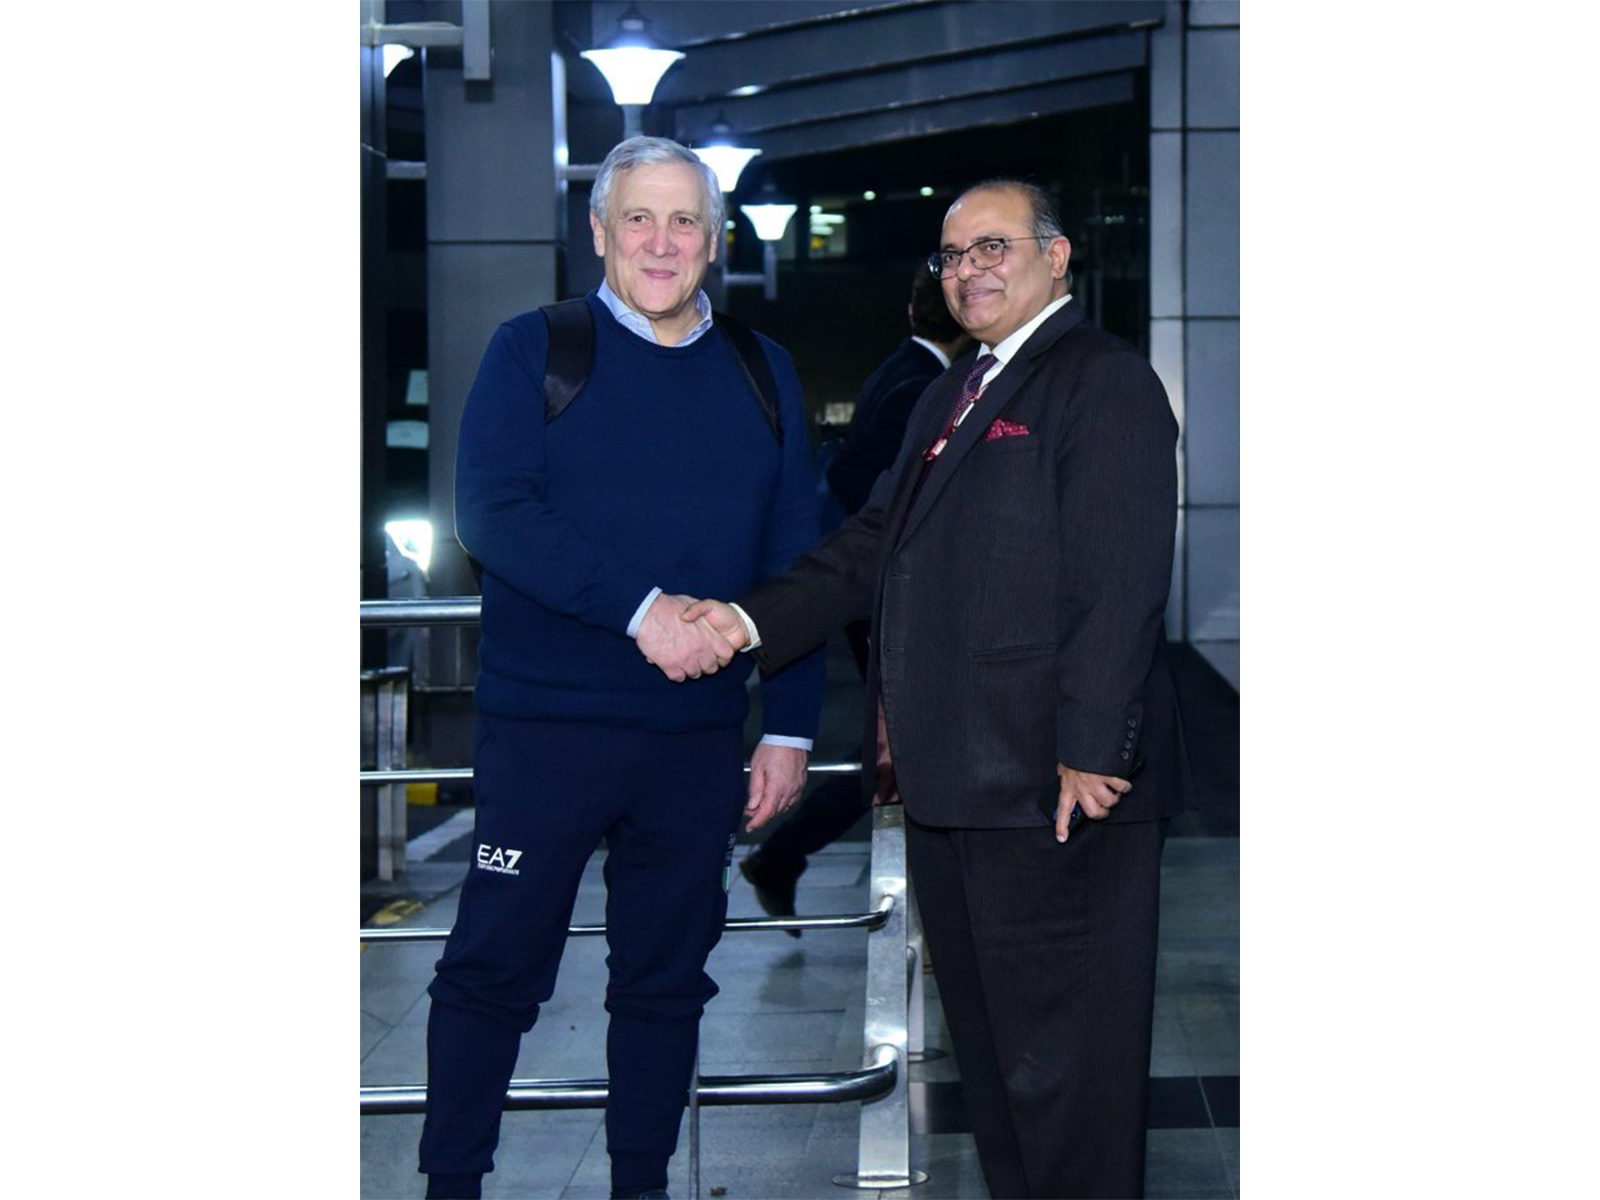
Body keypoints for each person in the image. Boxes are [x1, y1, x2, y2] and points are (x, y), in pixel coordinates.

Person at [686, 179, 1187, 1199]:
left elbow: (1121, 578)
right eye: (953, 257)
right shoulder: (953, 390)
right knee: (999, 1067)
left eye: (993, 246)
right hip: (957, 784)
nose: (968, 271)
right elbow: (872, 542)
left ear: (1057, 256)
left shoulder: (1102, 381)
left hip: (1054, 789)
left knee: (1068, 1073)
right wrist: (745, 621)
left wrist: (1093, 749)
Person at [417, 136, 825, 1200]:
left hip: (693, 745)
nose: (660, 241)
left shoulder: (762, 370)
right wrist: (643, 612)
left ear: (714, 240)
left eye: (685, 220)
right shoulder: (535, 349)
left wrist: (789, 725)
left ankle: (640, 1185)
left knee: (665, 982)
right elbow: (492, 513)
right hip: (545, 735)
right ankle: (450, 1185)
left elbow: (798, 560)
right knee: (492, 971)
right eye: (637, 218)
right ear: (597, 231)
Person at [739, 266, 970, 929]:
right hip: (890, 598)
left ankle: (786, 857)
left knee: (901, 748)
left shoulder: (899, 370)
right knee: (905, 747)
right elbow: (869, 482)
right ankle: (788, 856)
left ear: (912, 313)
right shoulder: (923, 386)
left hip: (874, 593)